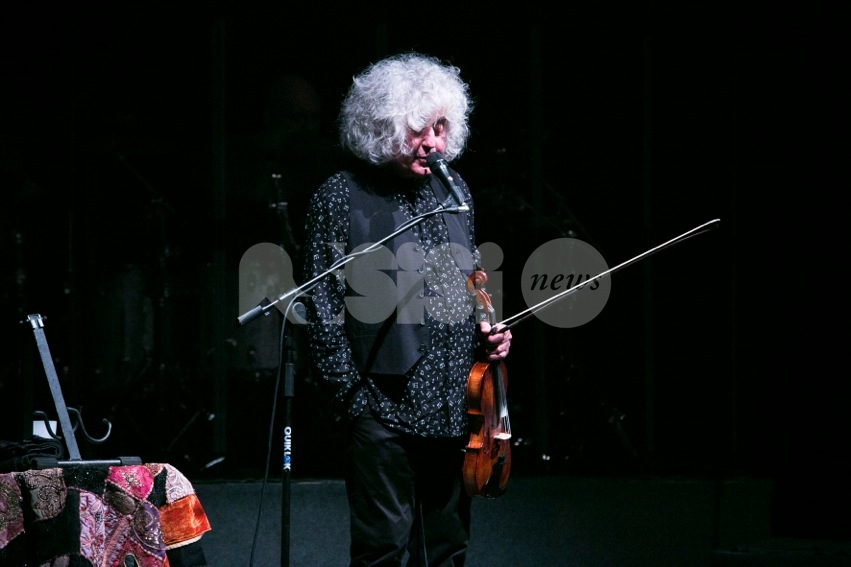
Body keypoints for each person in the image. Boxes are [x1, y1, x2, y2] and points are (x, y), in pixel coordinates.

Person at [301, 52, 512, 566]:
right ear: (383, 127)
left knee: (447, 549)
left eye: (441, 127)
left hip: (455, 406)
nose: (433, 142)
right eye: (418, 128)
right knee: (382, 551)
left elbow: (468, 286)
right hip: (382, 410)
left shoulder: (454, 189)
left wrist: (489, 331)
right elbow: (322, 309)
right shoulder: (340, 196)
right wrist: (354, 403)